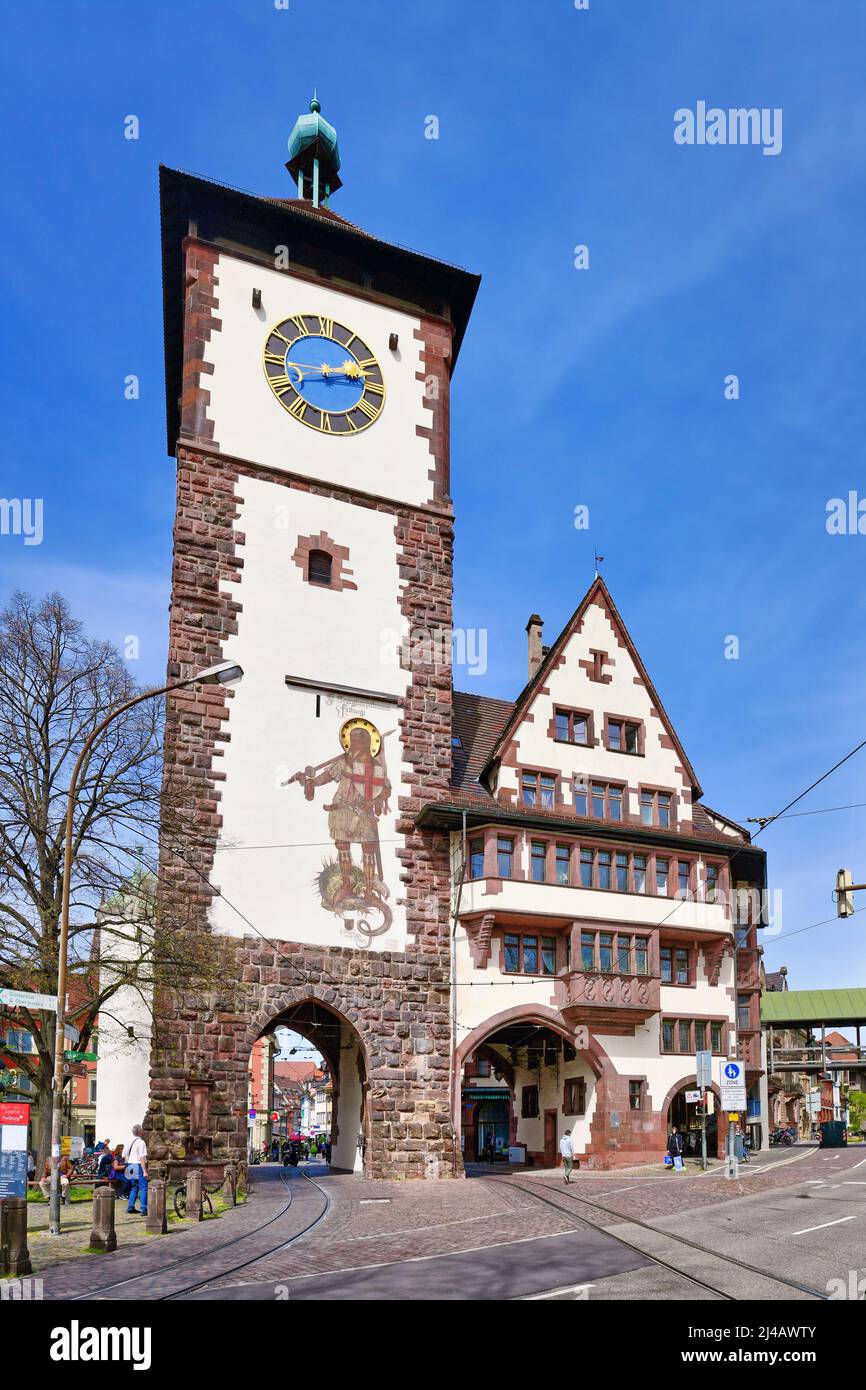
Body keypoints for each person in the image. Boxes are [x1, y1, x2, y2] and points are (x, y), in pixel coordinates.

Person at [125, 1125, 148, 1215]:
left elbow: (125, 1155)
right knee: (143, 1187)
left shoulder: (128, 1141)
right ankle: (143, 1209)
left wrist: (128, 1165)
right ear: (139, 1132)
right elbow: (142, 1157)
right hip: (138, 1164)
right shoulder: (141, 1142)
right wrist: (145, 1171)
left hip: (130, 1165)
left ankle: (130, 1207)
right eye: (142, 1130)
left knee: (134, 1187)